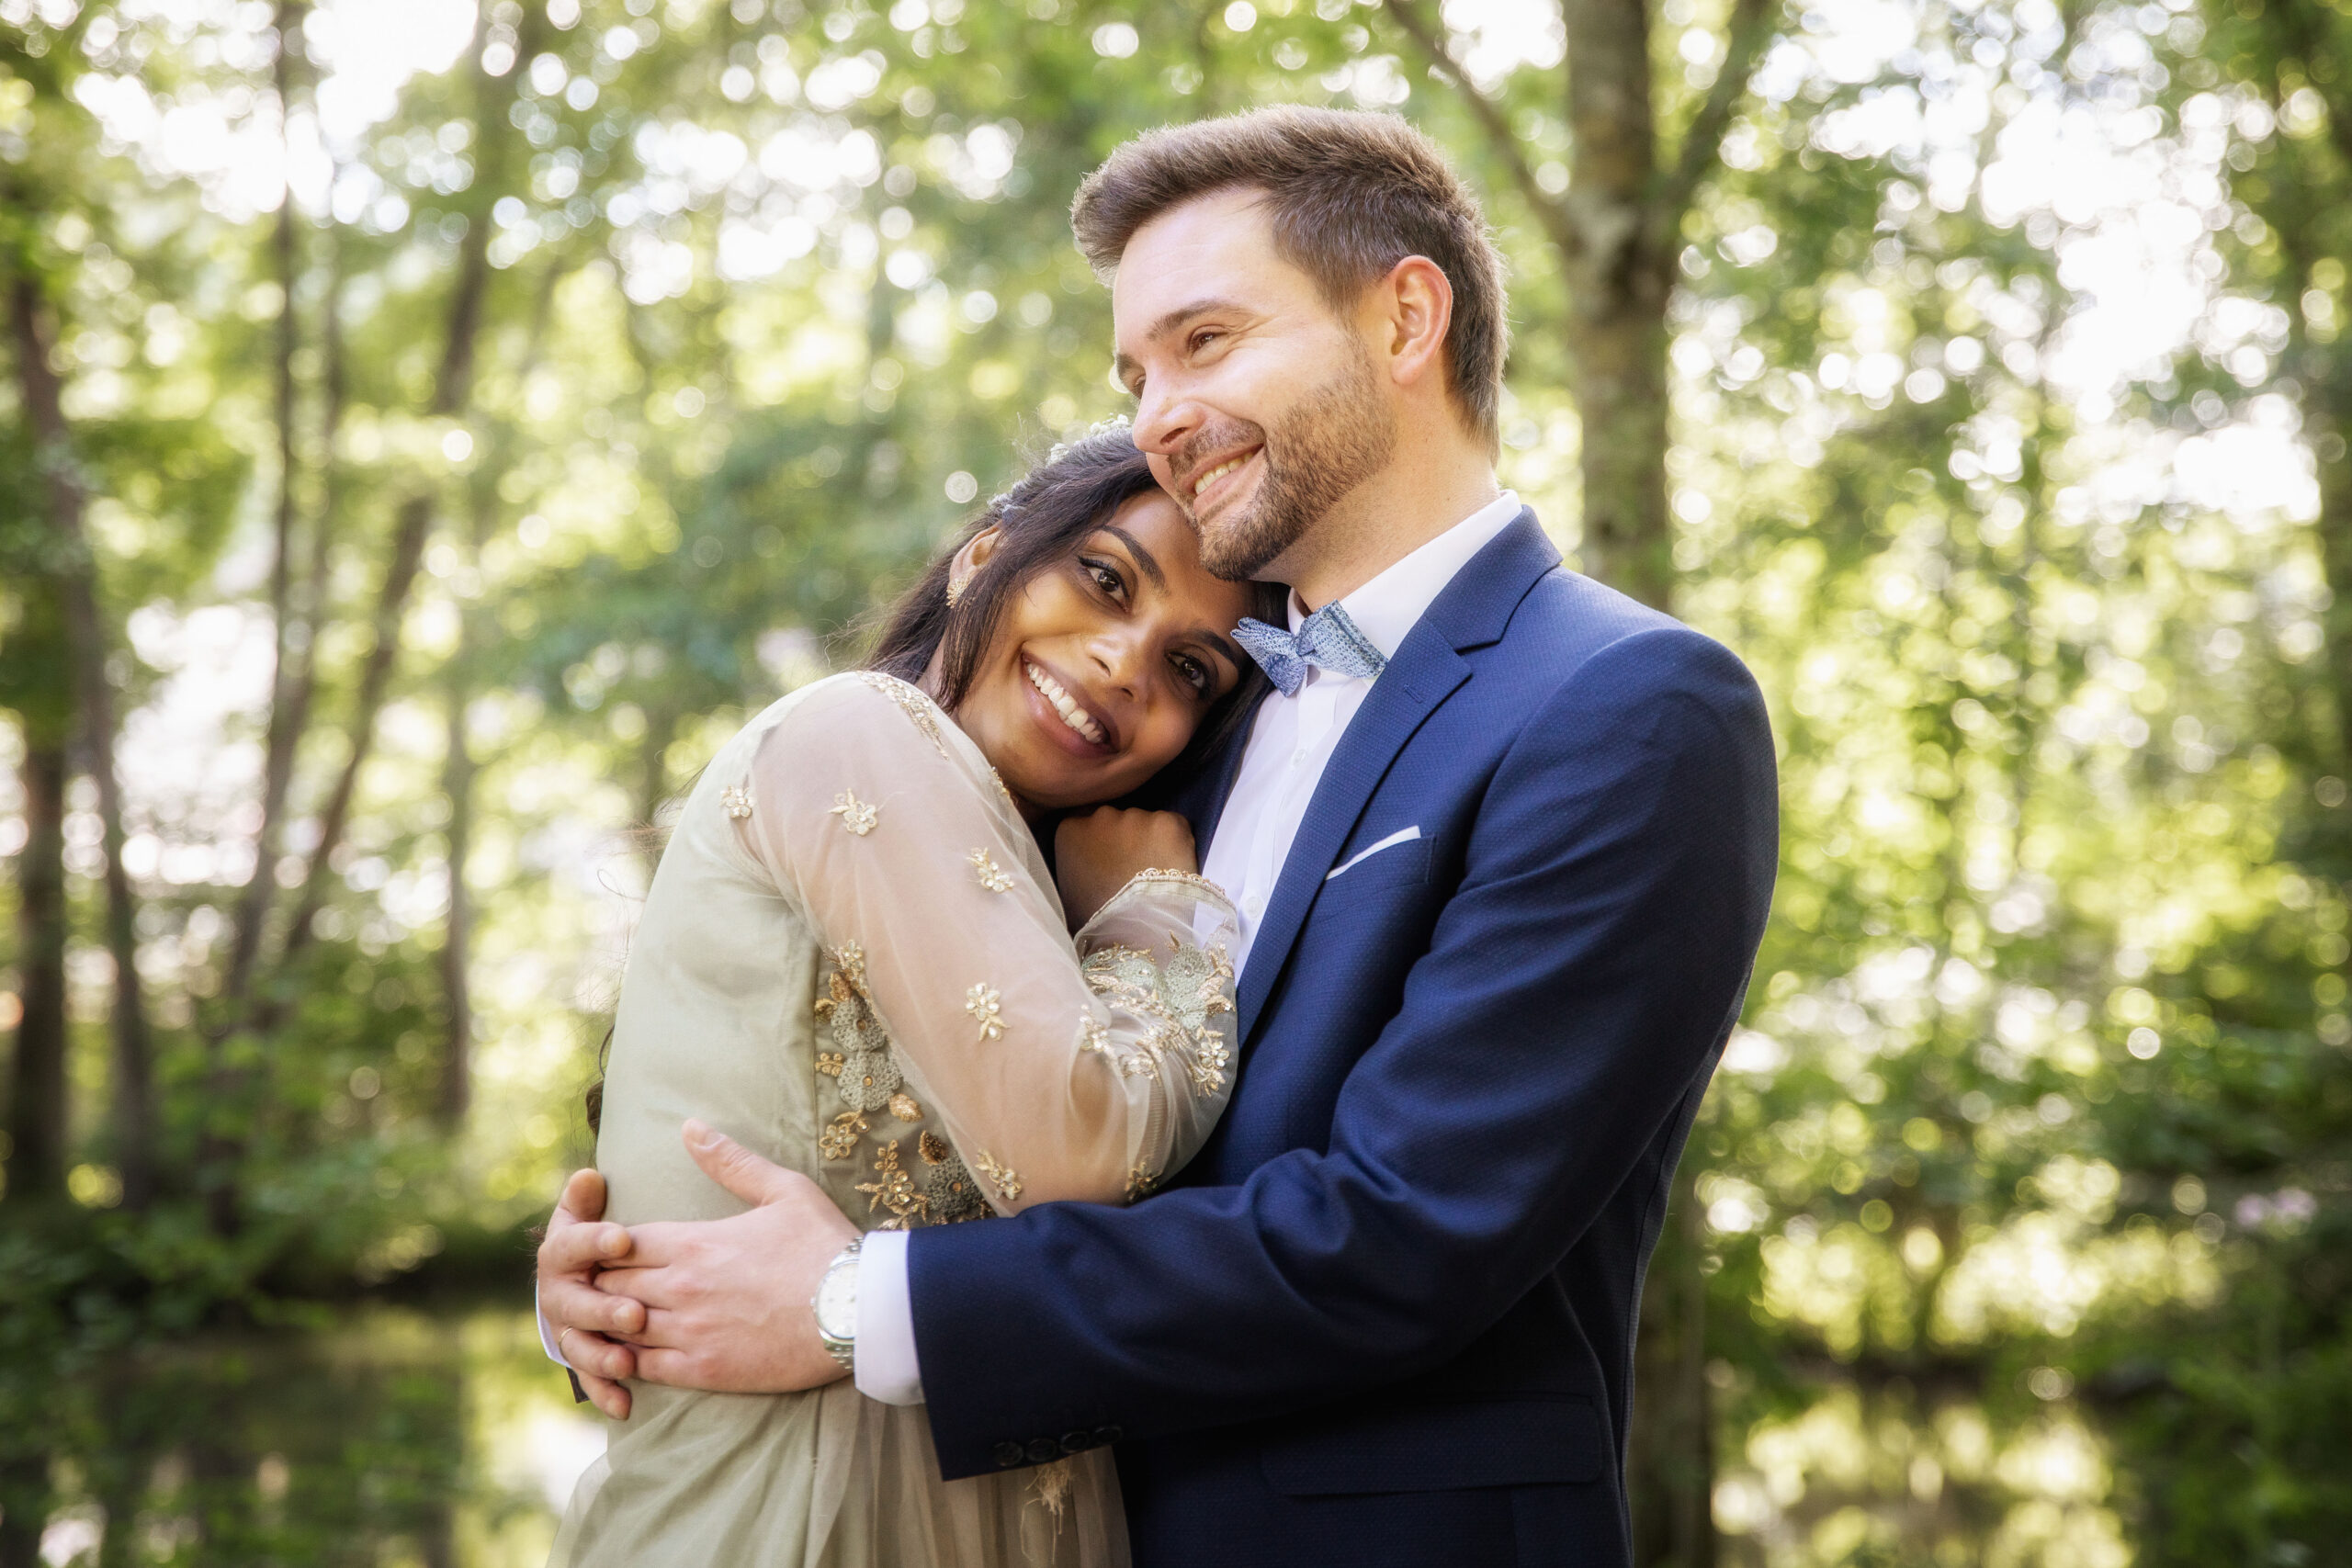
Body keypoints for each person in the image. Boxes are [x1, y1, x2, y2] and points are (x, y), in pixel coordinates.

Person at [541, 106, 1779, 1568]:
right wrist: (636, 1280)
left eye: (1203, 341)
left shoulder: (1627, 704)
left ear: (1404, 314)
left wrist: (849, 1303)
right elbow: (899, 1070)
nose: (1156, 414)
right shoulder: (1175, 727)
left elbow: (1404, 1234)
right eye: (1134, 371)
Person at [544, 426, 1286, 1568]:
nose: (1125, 659)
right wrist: (1155, 911)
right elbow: (1078, 1141)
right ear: (982, 555)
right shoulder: (858, 732)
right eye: (1103, 578)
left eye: (1191, 669)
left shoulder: (1024, 899)